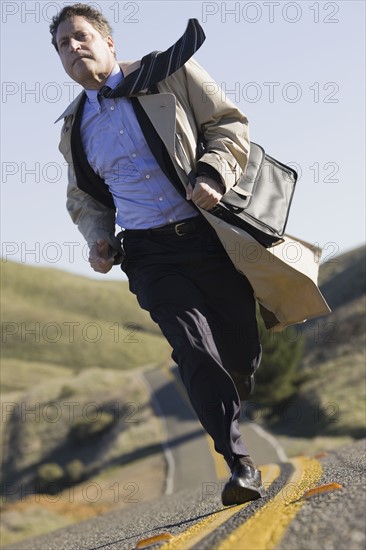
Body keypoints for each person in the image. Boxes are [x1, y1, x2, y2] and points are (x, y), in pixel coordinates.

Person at [50, 3, 265, 506]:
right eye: (63, 44)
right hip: (150, 253)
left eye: (81, 36)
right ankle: (239, 464)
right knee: (192, 349)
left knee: (237, 353)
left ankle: (237, 376)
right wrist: (99, 241)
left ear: (109, 44)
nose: (74, 48)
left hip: (211, 234)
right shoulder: (73, 128)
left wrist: (212, 172)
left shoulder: (168, 73)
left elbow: (228, 124)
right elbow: (85, 198)